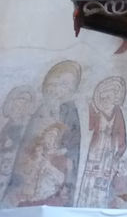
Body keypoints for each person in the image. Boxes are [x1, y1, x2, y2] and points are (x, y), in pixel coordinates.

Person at [2, 61, 81, 207]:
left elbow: (73, 145)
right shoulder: (41, 109)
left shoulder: (70, 112)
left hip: (55, 169)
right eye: (56, 83)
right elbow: (27, 141)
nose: (58, 89)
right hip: (32, 168)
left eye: (64, 85)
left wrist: (59, 153)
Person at [77, 76, 127, 207]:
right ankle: (85, 204)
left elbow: (121, 133)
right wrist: (90, 107)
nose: (105, 101)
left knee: (104, 179)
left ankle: (98, 205)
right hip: (95, 150)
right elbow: (91, 126)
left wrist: (119, 153)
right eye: (102, 98)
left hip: (108, 152)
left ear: (114, 99)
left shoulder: (117, 113)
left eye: (108, 98)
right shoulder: (99, 113)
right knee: (90, 178)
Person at [0, 86, 36, 196]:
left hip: (11, 166)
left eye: (28, 101)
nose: (23, 104)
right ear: (12, 100)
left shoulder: (27, 125)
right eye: (21, 99)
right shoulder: (4, 121)